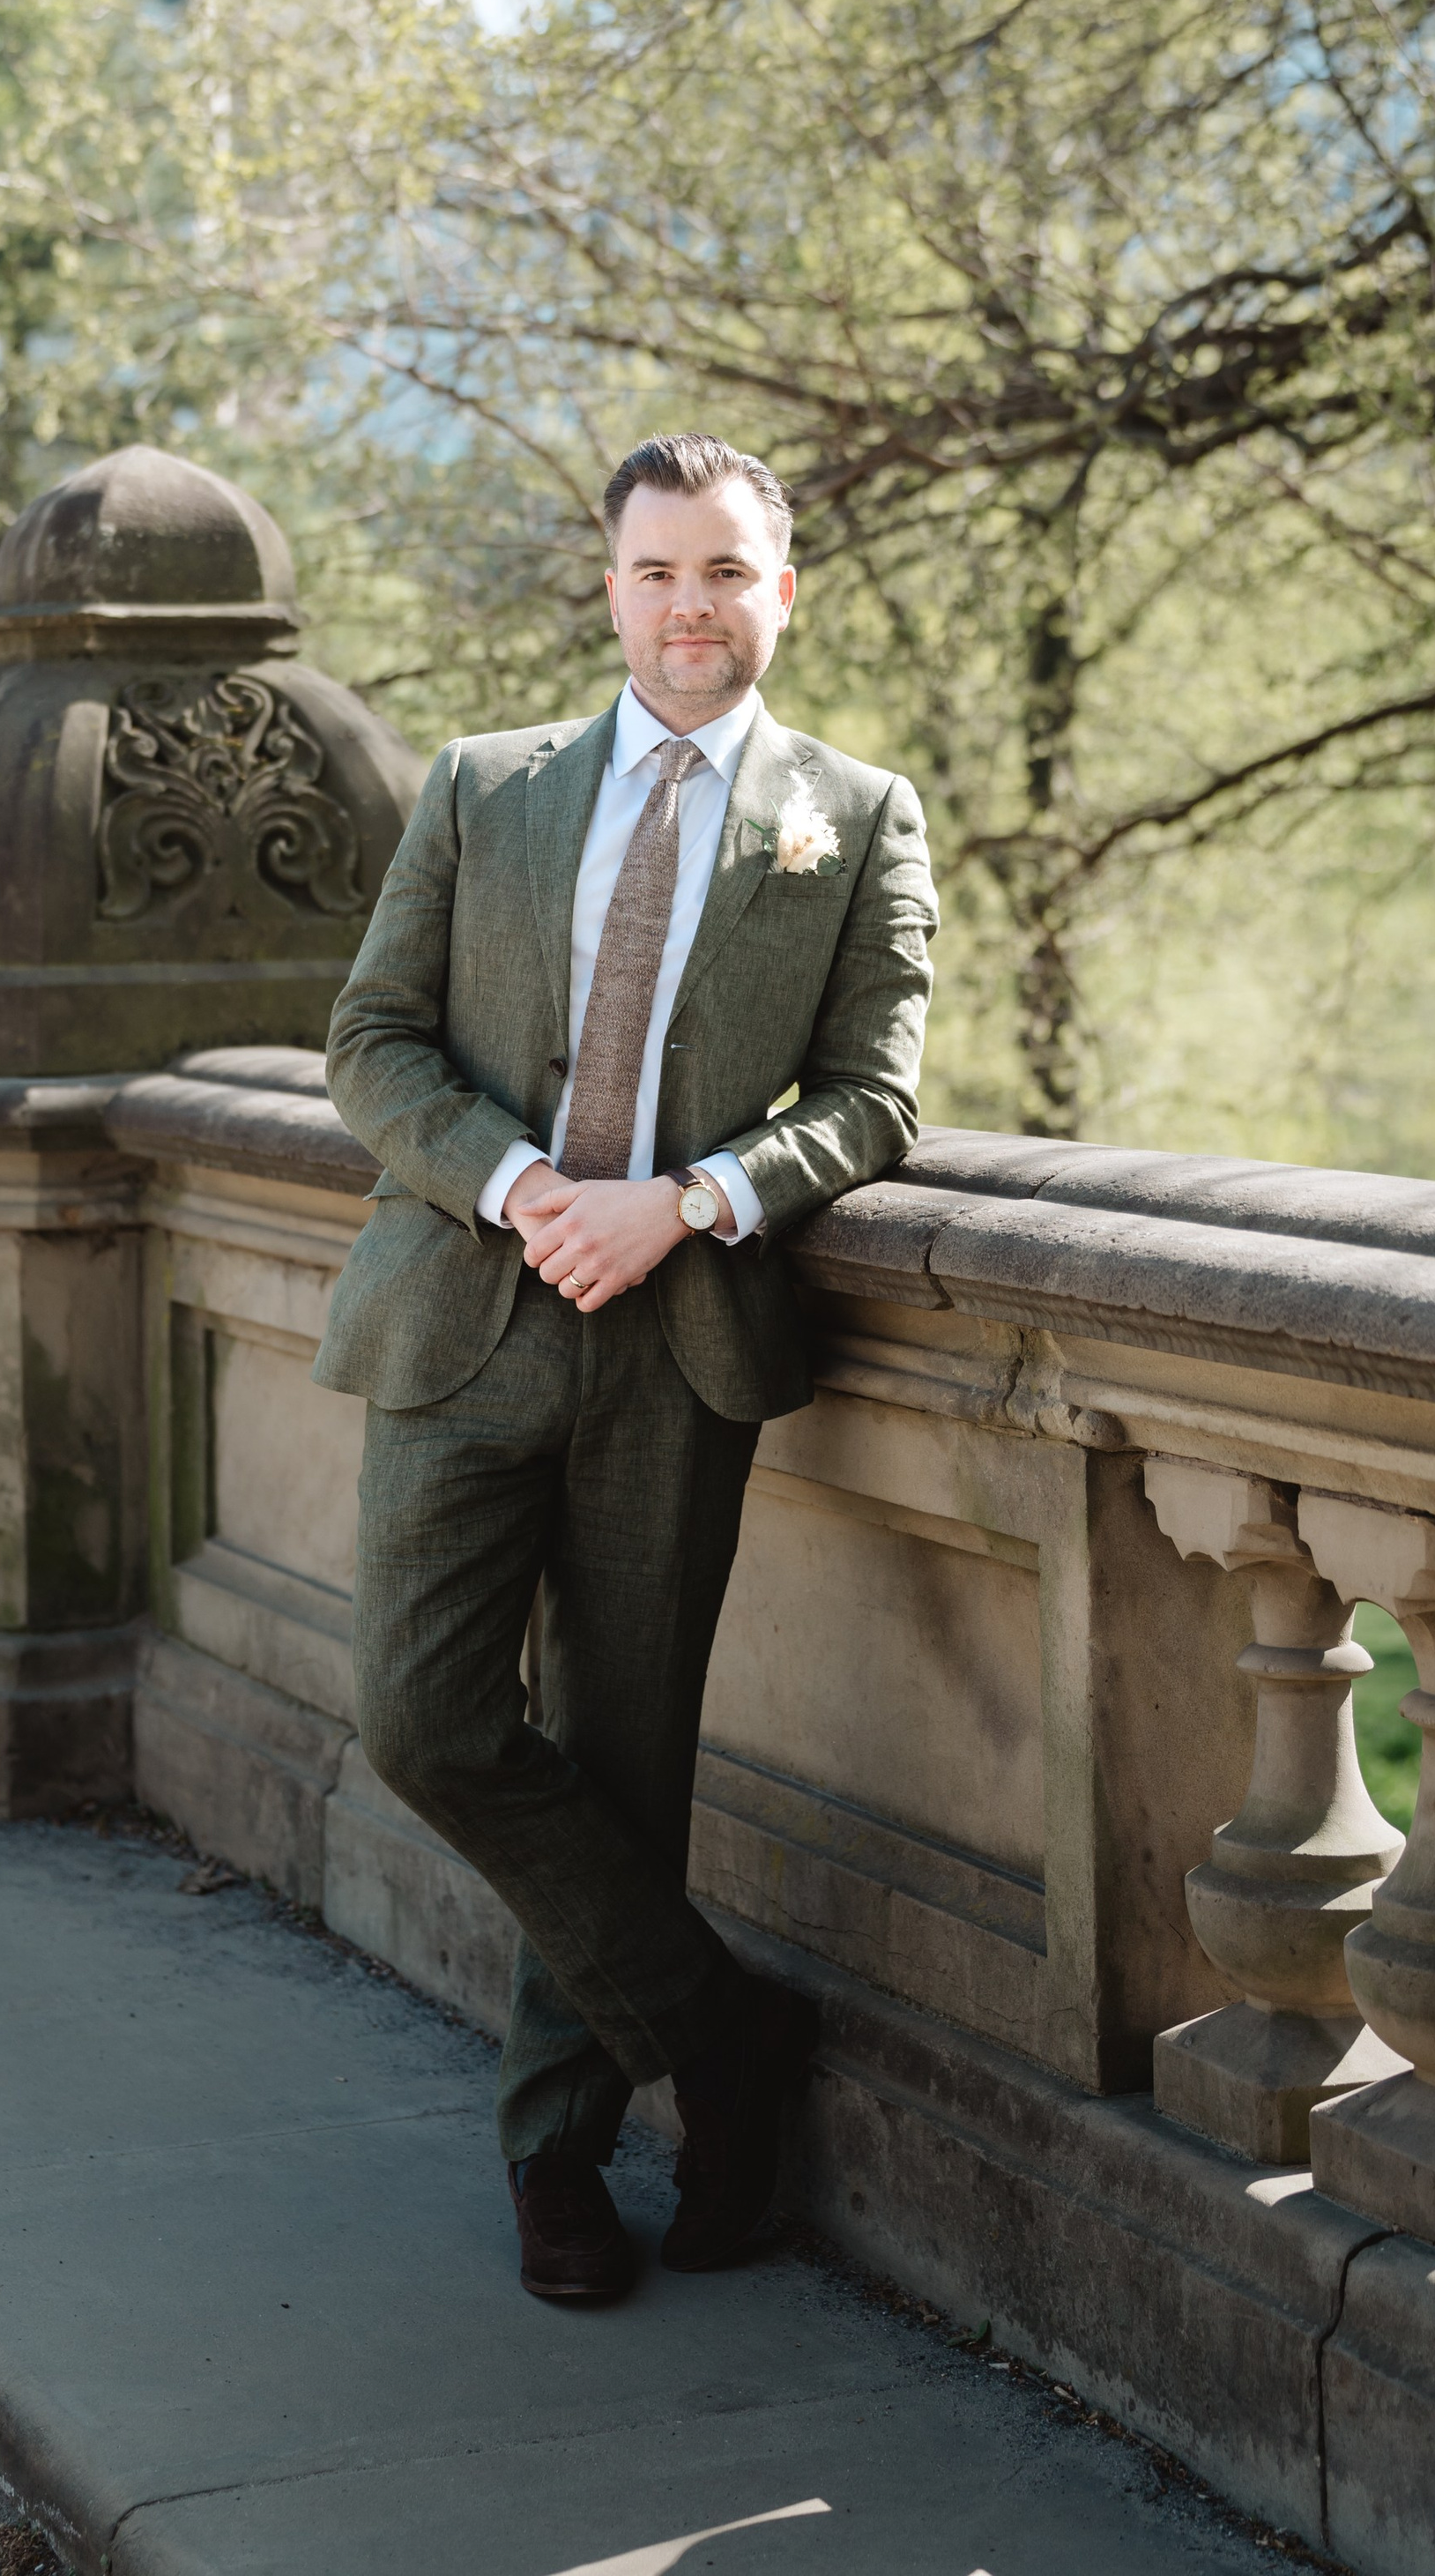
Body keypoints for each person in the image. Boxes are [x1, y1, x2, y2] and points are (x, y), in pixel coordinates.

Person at [314, 431, 936, 2304]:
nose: (690, 607)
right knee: (422, 1722)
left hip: (678, 1342)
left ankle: (557, 2158)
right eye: (657, 571)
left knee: (624, 1757)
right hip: (463, 1315)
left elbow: (877, 1093)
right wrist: (522, 1190)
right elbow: (369, 1040)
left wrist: (693, 1201)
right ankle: (722, 2039)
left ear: (781, 593)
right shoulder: (484, 788)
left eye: (726, 574)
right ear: (609, 588)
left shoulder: (857, 813)